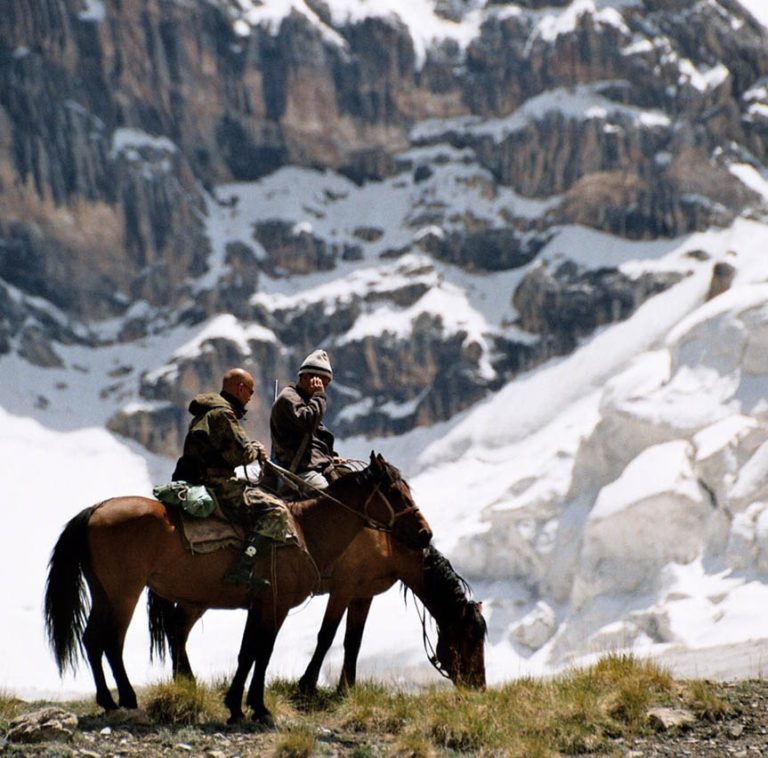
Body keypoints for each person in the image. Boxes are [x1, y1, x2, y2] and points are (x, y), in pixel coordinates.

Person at [172, 367, 270, 586]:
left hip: (195, 478)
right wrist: (257, 450)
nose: (251, 398)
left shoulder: (206, 411)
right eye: (250, 392)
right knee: (274, 511)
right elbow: (241, 454)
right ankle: (242, 570)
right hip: (215, 483)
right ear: (240, 387)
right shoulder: (223, 413)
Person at [270, 349, 342, 491]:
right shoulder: (288, 398)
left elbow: (315, 439)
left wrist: (330, 457)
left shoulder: (306, 400)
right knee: (329, 499)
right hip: (298, 471)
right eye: (321, 383)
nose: (323, 389)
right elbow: (308, 422)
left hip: (315, 467)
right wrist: (319, 396)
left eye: (325, 386)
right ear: (306, 378)